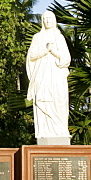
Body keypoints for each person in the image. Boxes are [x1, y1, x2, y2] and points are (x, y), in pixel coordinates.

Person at [26, 10, 71, 143]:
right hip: (42, 74)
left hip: (57, 74)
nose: (47, 21)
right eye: (45, 18)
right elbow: (31, 57)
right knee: (43, 100)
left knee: (59, 100)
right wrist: (45, 50)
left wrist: (54, 51)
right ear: (42, 21)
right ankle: (45, 131)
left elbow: (66, 58)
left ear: (54, 20)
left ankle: (60, 130)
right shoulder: (37, 37)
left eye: (50, 18)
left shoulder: (59, 37)